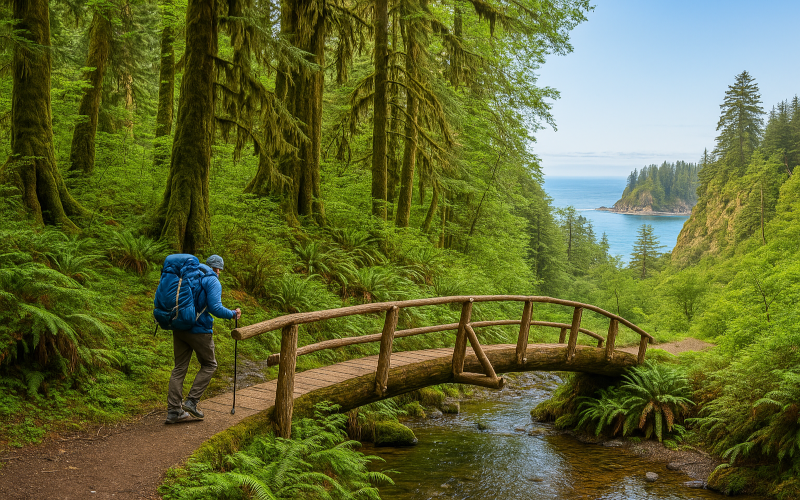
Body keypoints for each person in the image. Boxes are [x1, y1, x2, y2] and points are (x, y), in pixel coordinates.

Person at [165, 254, 242, 424]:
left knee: (179, 368)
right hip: (199, 330)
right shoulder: (211, 280)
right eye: (220, 270)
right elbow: (215, 308)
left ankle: (174, 412)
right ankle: (191, 401)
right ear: (217, 269)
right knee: (209, 364)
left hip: (179, 327)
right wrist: (233, 314)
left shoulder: (189, 275)